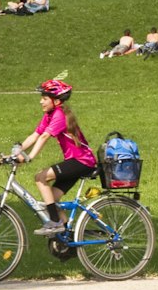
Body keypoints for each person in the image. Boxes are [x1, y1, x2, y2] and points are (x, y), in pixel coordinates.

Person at [16, 78, 97, 235]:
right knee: (51, 200)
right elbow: (35, 134)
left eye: (45, 98)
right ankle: (67, 240)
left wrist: (29, 157)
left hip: (82, 161)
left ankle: (54, 223)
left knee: (40, 177)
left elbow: (44, 137)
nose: (41, 101)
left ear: (57, 101)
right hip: (75, 162)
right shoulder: (50, 114)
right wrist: (15, 152)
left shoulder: (59, 115)